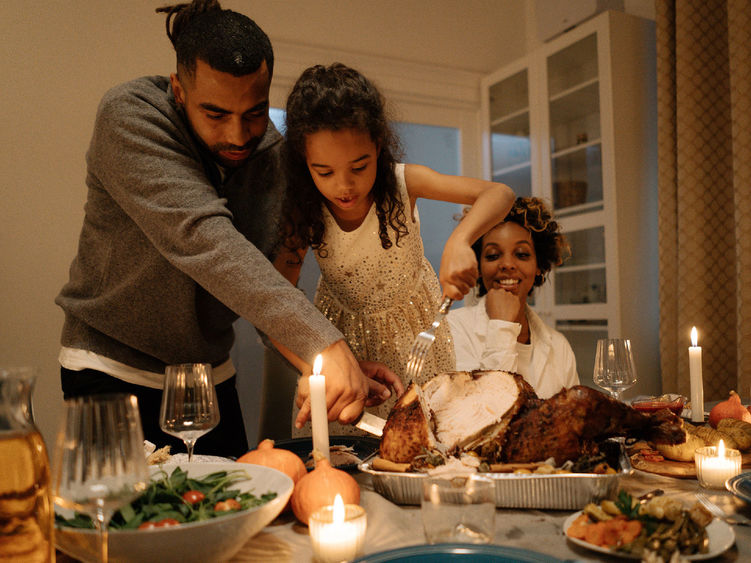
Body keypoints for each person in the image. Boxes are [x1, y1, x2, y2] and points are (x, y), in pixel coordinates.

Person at [54, 1, 398, 458]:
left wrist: (337, 363)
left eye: (255, 113)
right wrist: (325, 343)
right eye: (216, 114)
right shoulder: (130, 116)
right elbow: (204, 240)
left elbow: (262, 287)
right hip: (110, 366)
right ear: (179, 89)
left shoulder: (275, 156)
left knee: (236, 515)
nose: (238, 136)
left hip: (208, 376)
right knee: (126, 522)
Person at [275, 63, 515, 433]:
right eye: (324, 172)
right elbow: (276, 304)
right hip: (341, 342)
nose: (344, 186)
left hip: (417, 340)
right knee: (344, 455)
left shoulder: (405, 182)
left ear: (379, 145)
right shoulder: (303, 209)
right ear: (303, 162)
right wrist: (315, 365)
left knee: (422, 448)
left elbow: (500, 194)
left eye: (359, 166)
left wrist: (460, 239)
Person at [446, 197, 579, 398]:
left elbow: (573, 421)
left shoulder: (559, 346)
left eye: (522, 254)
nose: (507, 264)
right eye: (492, 255)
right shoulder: (453, 330)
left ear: (539, 267)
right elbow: (480, 416)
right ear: (478, 267)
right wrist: (501, 325)